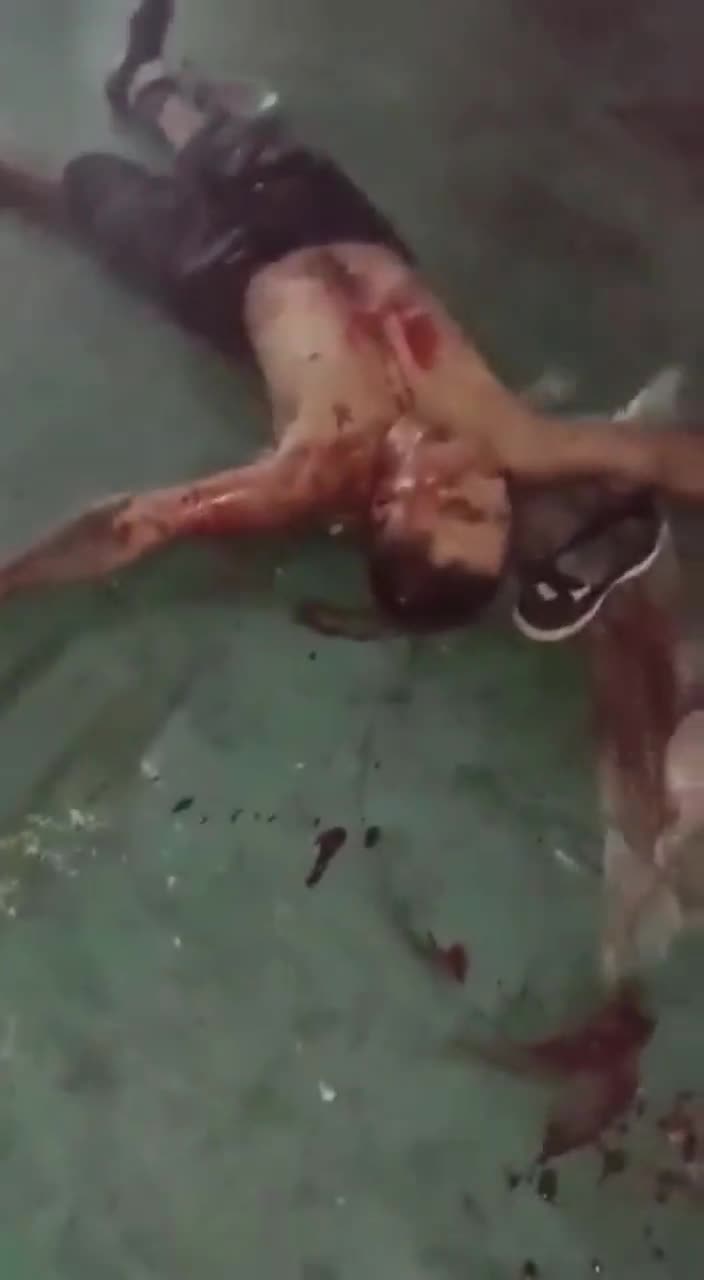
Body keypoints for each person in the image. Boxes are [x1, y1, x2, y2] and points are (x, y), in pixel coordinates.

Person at [0, 1, 701, 638]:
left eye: (456, 507)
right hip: (338, 227)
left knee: (90, 199)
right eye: (494, 512)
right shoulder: (509, 437)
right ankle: (143, 84)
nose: (486, 486)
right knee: (228, 147)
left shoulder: (306, 475)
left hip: (222, 275)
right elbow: (662, 457)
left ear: (388, 510)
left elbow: (129, 528)